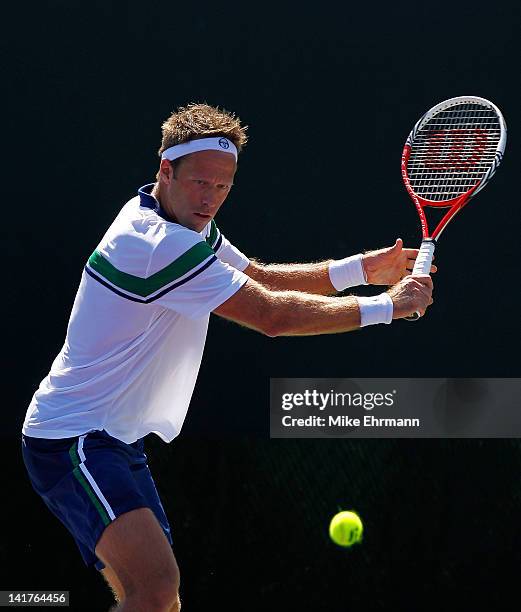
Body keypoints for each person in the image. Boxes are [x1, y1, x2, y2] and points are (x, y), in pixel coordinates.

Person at [22, 103, 433, 611]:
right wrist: (388, 307)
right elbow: (271, 315)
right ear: (165, 171)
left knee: (157, 598)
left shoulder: (181, 224)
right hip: (72, 438)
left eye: (223, 187)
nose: (210, 199)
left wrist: (361, 269)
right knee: (154, 588)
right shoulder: (157, 245)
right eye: (201, 183)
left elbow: (258, 277)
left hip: (113, 439)